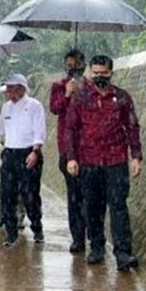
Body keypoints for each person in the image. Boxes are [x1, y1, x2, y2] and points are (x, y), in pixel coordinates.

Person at [64, 55, 142, 271]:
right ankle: (96, 246)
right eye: (95, 73)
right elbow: (70, 129)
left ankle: (123, 253)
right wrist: (72, 158)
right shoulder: (80, 98)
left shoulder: (122, 98)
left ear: (111, 73)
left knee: (118, 206)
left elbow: (132, 127)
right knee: (93, 207)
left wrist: (136, 156)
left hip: (116, 161)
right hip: (89, 161)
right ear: (90, 73)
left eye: (103, 73)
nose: (99, 77)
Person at [0, 74, 46, 246]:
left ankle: (37, 228)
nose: (7, 93)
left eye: (10, 89)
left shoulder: (34, 106)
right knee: (7, 194)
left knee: (30, 195)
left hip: (29, 153)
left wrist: (35, 151)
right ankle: (10, 233)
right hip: (10, 153)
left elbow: (39, 131)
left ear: (21, 88)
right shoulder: (6, 108)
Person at [49, 48, 88, 254]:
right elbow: (55, 108)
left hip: (90, 150)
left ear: (84, 64)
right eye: (69, 65)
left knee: (91, 195)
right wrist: (67, 94)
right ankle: (78, 237)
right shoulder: (58, 86)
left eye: (77, 64)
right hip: (67, 148)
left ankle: (93, 234)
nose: (73, 69)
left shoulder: (90, 87)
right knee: (74, 196)